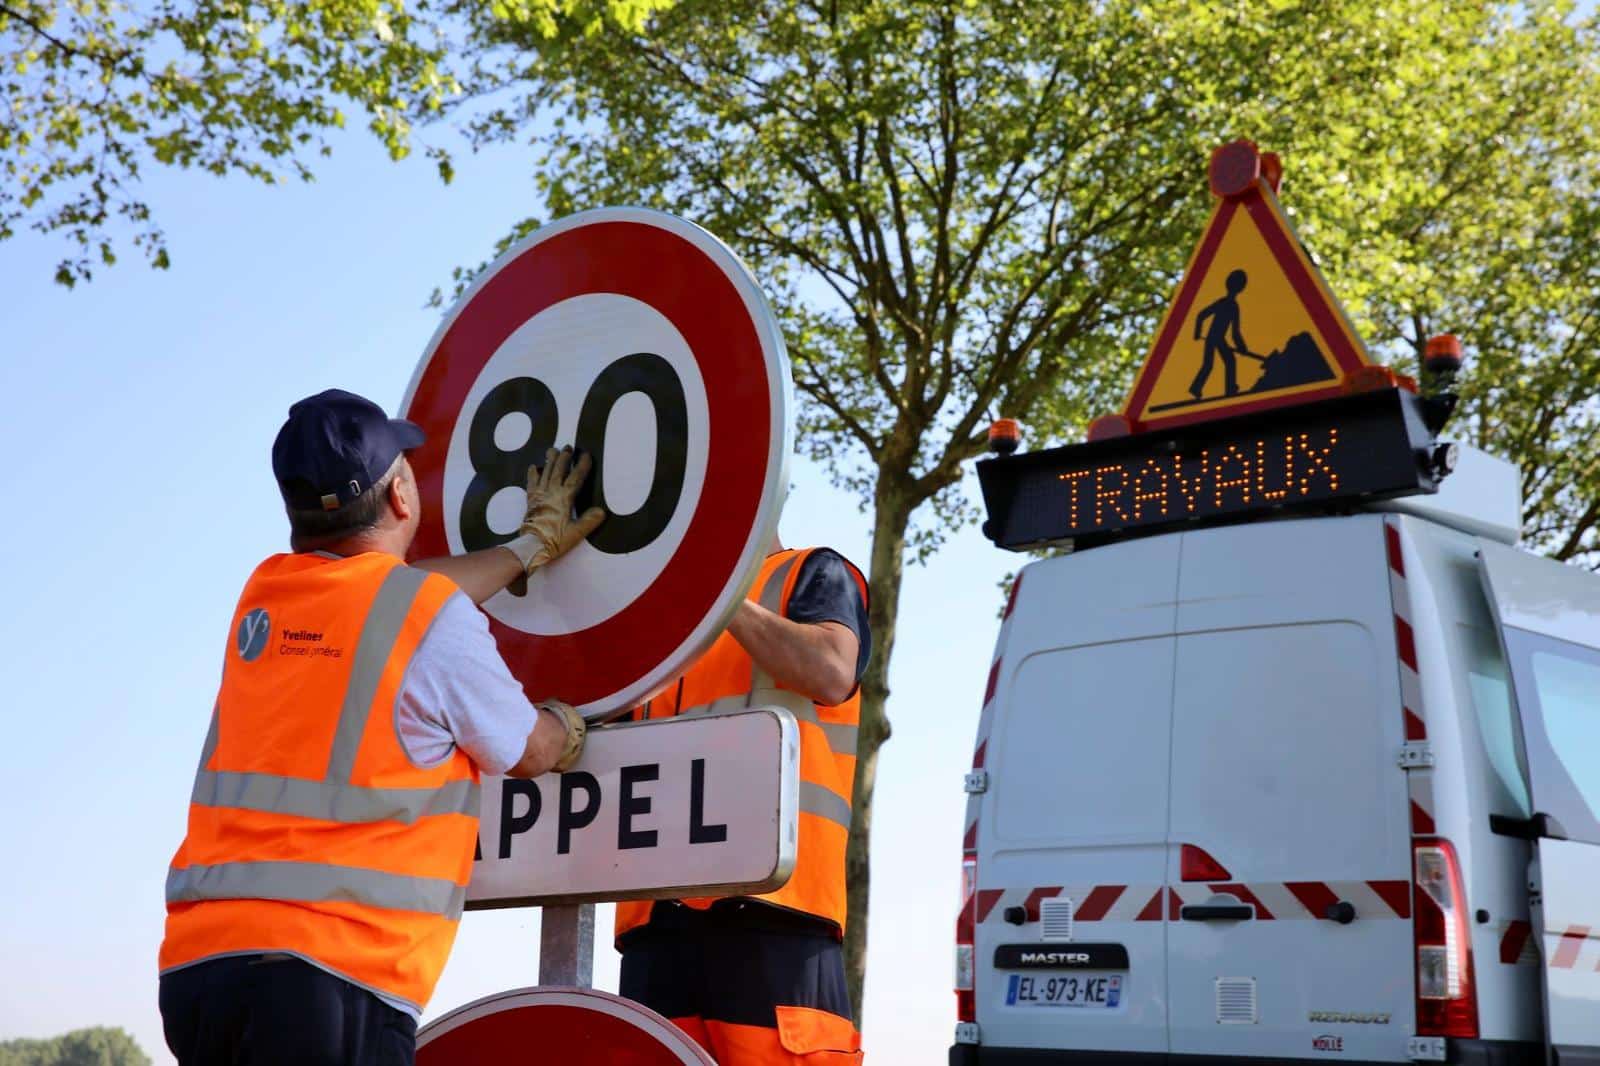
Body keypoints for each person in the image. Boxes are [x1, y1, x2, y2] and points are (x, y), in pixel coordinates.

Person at [157, 388, 604, 1066]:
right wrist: (569, 726)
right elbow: (527, 747)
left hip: (198, 977)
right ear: (401, 495)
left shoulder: (265, 596)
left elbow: (387, 592)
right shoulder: (426, 616)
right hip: (332, 980)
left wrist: (528, 547)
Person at [616, 540, 872, 1065]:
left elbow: (831, 670)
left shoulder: (811, 571)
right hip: (657, 920)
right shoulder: (644, 605)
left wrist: (717, 595)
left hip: (775, 909)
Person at [1189, 268, 1252, 399]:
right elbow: (1234, 332)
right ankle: (1202, 388)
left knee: (1223, 362)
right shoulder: (1232, 305)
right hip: (1213, 338)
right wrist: (1197, 332)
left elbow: (1234, 332)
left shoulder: (1226, 303)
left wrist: (1242, 347)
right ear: (1241, 288)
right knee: (1212, 364)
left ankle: (1225, 388)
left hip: (1218, 338)